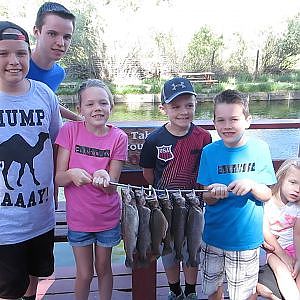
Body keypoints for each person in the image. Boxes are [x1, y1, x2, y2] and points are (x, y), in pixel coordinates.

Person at [0, 21, 62, 300]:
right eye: (3, 54)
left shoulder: (44, 95)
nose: (14, 62)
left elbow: (55, 143)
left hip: (40, 216)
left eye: (21, 54)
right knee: (8, 288)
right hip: (4, 225)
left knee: (35, 276)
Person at [197, 89, 277, 300]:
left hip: (246, 240)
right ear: (214, 122)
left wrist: (252, 184)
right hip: (213, 236)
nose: (227, 126)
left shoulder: (260, 149)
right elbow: (206, 197)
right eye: (221, 120)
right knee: (212, 289)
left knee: (244, 293)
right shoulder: (209, 152)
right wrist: (214, 192)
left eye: (234, 119)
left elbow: (267, 193)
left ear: (247, 121)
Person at [55, 79, 128, 299]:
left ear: (111, 107)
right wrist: (71, 174)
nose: (97, 108)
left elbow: (112, 187)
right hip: (79, 218)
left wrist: (106, 177)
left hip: (107, 217)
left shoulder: (119, 138)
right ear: (79, 110)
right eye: (90, 104)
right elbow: (59, 178)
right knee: (85, 273)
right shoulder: (70, 131)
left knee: (104, 268)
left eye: (103, 103)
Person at [139, 77, 212, 300]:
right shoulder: (155, 139)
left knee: (192, 248)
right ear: (164, 109)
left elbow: (206, 169)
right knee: (168, 249)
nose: (183, 111)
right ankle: (174, 290)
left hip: (194, 205)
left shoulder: (203, 137)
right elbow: (148, 173)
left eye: (189, 105)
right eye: (176, 106)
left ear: (196, 105)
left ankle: (190, 291)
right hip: (165, 206)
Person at [27, 1, 81, 121]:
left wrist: (80, 119)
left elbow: (47, 102)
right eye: (52, 34)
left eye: (67, 37)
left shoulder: (59, 73)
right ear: (36, 32)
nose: (61, 43)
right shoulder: (15, 66)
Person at [262, 158, 300, 300]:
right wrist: (284, 256)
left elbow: (298, 235)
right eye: (293, 182)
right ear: (281, 177)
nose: (297, 190)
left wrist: (298, 260)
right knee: (281, 271)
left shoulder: (297, 207)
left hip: (296, 248)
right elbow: (266, 232)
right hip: (275, 250)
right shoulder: (266, 202)